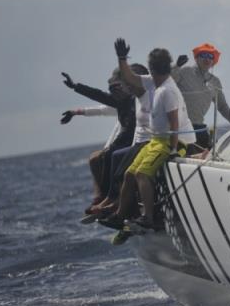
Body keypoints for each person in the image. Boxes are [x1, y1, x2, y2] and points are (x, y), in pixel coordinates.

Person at [101, 38, 195, 236]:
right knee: (129, 174)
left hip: (168, 141)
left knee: (143, 174)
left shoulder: (167, 91)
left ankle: (149, 218)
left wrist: (173, 149)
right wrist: (122, 58)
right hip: (154, 141)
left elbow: (174, 122)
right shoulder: (154, 83)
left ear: (152, 69)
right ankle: (120, 215)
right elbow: (130, 76)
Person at [61, 69, 136, 213]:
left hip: (135, 140)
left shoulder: (137, 99)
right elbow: (97, 95)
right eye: (112, 90)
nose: (115, 93)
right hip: (125, 139)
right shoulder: (118, 101)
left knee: (114, 155)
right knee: (104, 156)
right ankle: (104, 197)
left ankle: (114, 199)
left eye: (117, 88)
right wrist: (75, 86)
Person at [172, 43, 230, 150]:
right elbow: (167, 81)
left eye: (210, 56)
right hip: (181, 126)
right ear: (197, 58)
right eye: (203, 55)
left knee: (210, 154)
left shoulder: (215, 81)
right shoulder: (184, 71)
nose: (207, 58)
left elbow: (222, 106)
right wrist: (176, 66)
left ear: (214, 61)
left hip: (199, 127)